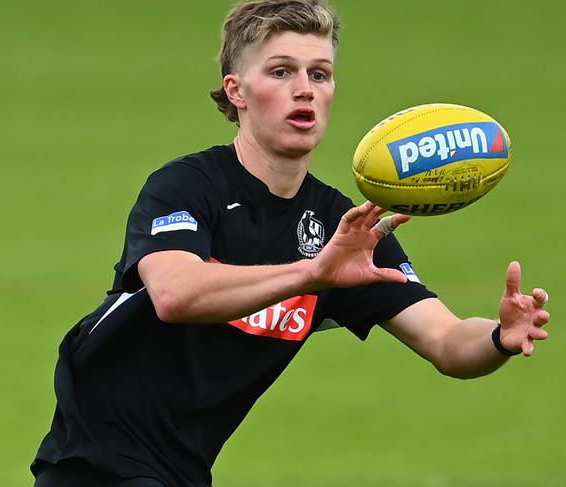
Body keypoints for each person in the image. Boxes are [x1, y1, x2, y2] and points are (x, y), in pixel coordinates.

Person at [31, 1, 551, 486]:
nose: (304, 88)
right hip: (95, 459)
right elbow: (175, 294)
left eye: (319, 74)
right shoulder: (187, 186)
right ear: (236, 91)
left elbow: (446, 342)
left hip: (183, 469)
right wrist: (312, 275)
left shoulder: (345, 230)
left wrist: (499, 338)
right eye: (281, 72)